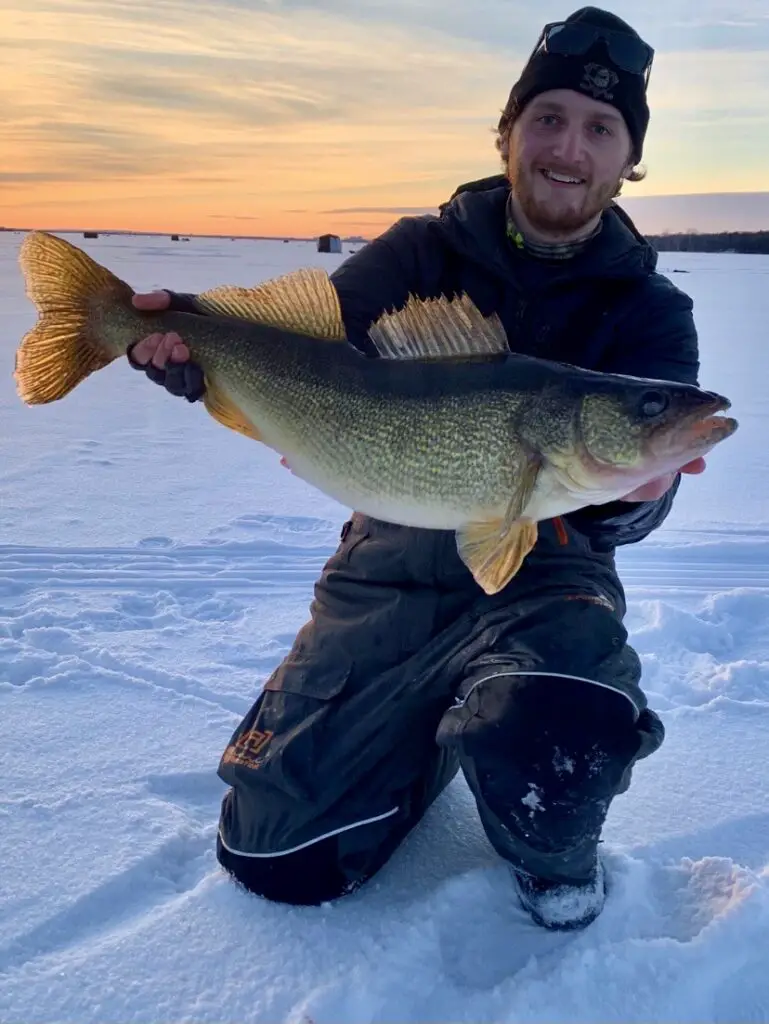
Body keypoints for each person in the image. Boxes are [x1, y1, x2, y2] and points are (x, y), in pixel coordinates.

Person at [127, 7, 705, 930]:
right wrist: (196, 341)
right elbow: (303, 346)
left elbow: (628, 503)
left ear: (627, 157)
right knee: (278, 858)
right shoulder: (414, 253)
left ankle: (541, 838)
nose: (569, 146)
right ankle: (430, 737)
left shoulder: (649, 313)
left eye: (601, 129)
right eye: (547, 118)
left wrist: (646, 489)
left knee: (557, 726)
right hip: (385, 566)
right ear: (508, 132)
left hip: (547, 574)